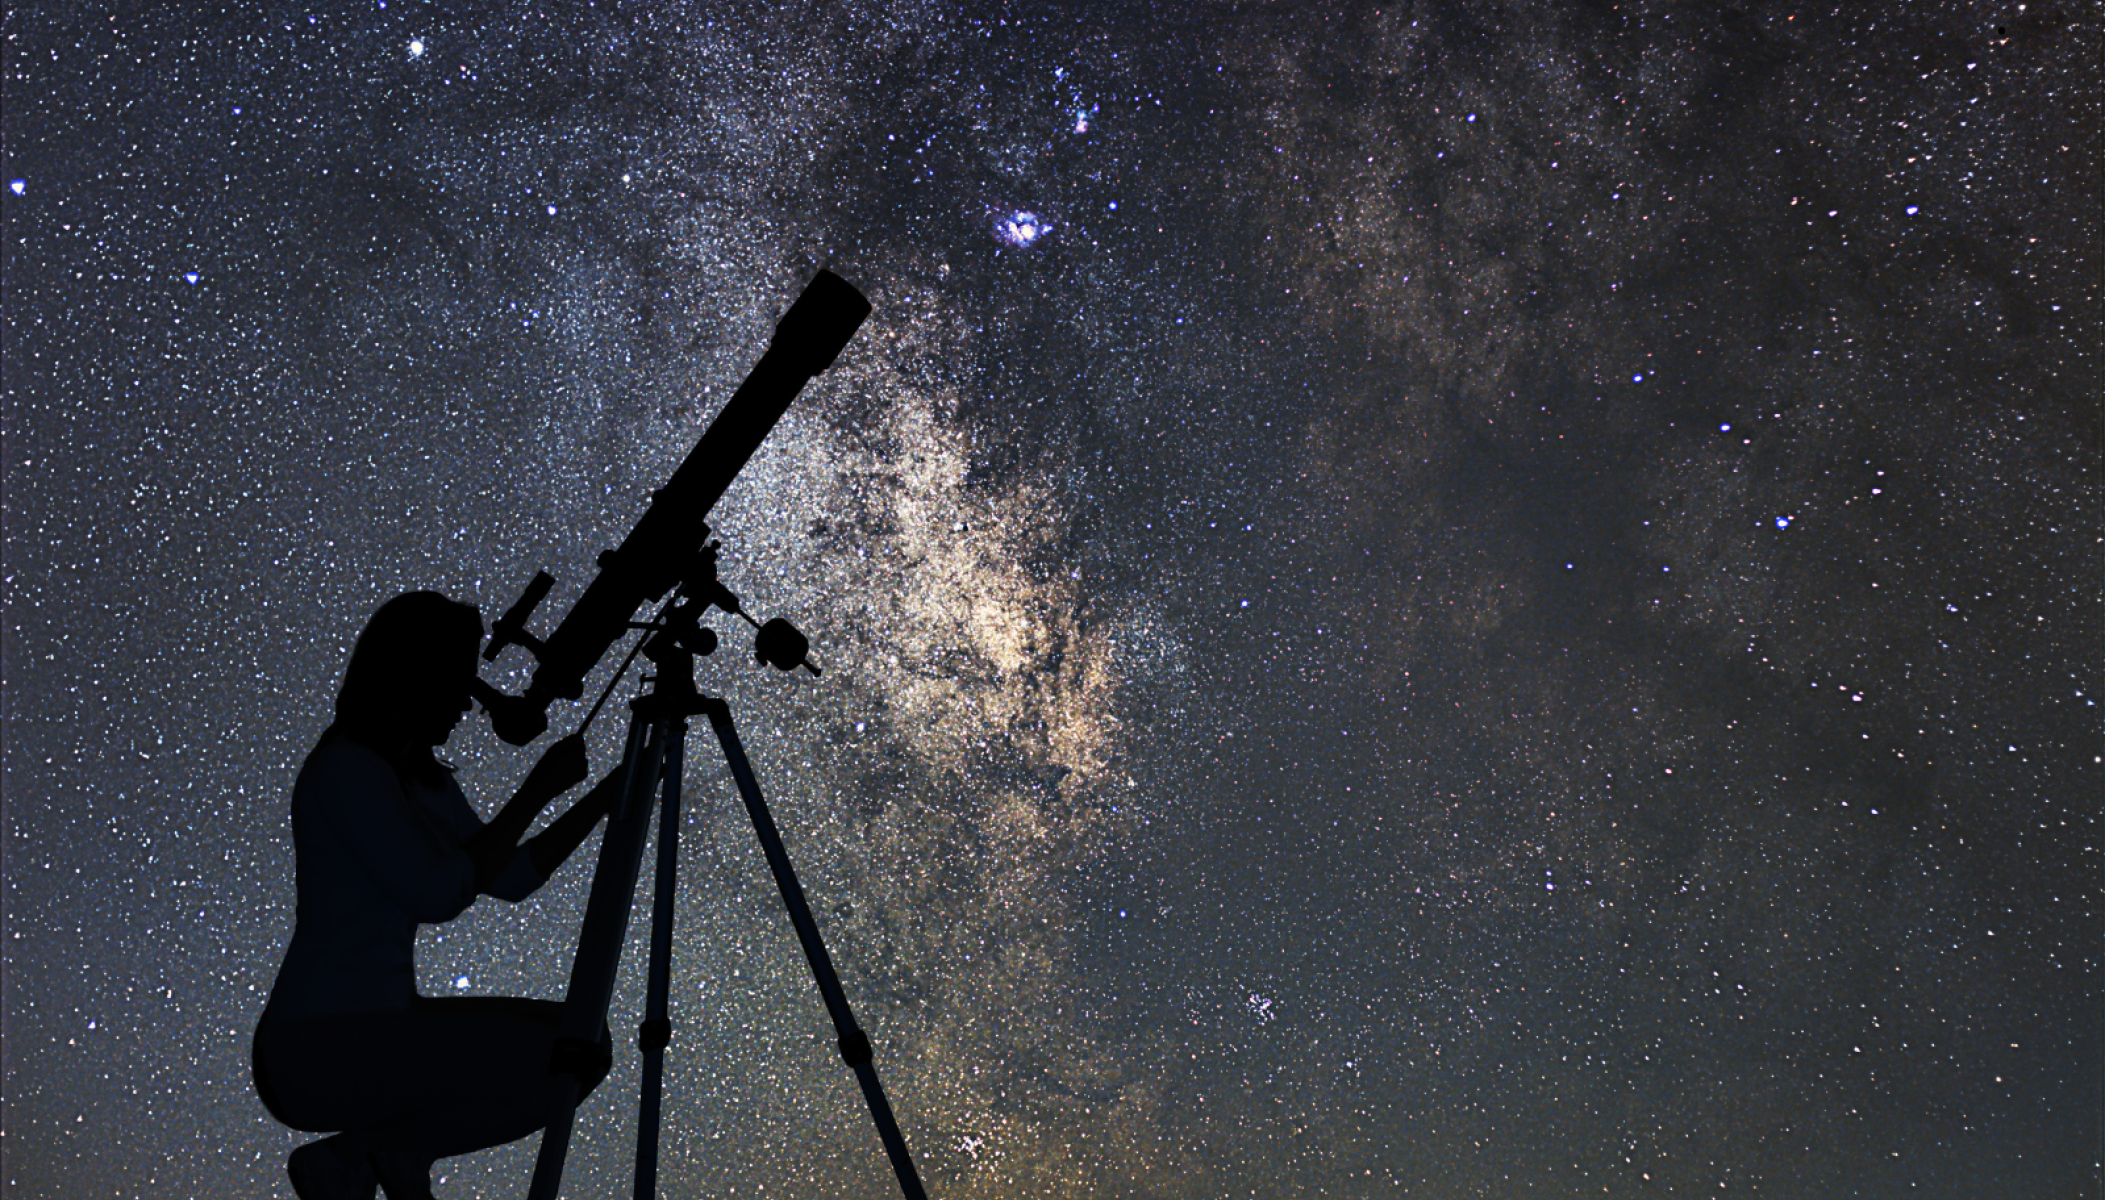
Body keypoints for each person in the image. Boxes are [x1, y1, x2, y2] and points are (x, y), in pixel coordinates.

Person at [252, 591, 624, 1200]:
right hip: (314, 1045)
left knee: (585, 1043)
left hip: (378, 1021)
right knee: (570, 1054)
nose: (466, 703)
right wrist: (536, 790)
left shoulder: (419, 781)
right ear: (414, 676)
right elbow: (436, 892)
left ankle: (377, 1154)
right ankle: (371, 1154)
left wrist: (605, 798)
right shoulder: (345, 770)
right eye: (458, 680)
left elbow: (508, 877)